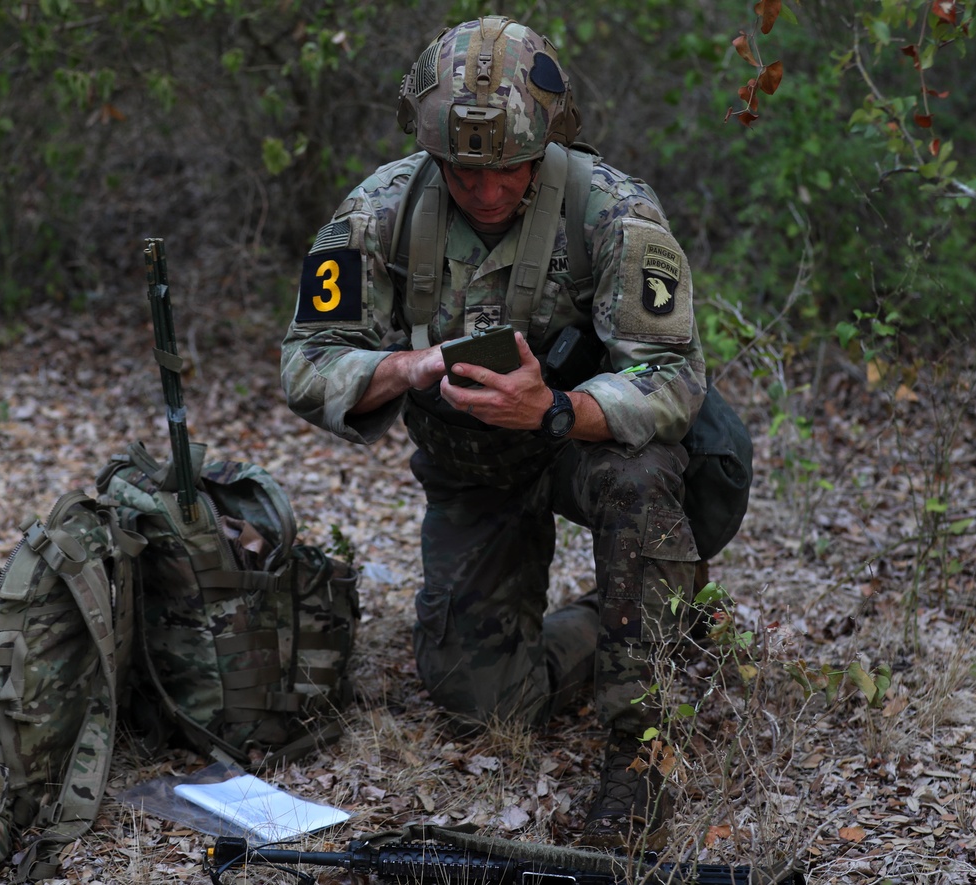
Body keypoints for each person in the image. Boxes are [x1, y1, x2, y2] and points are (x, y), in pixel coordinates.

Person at [281, 15, 707, 848]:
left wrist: (555, 408)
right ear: (433, 152)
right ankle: (635, 612)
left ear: (546, 142)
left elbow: (675, 374)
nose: (485, 190)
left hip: (577, 445)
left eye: (508, 168)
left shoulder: (612, 210)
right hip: (473, 468)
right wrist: (404, 369)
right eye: (464, 170)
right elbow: (306, 361)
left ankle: (639, 749)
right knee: (482, 699)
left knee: (643, 475)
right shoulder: (381, 209)